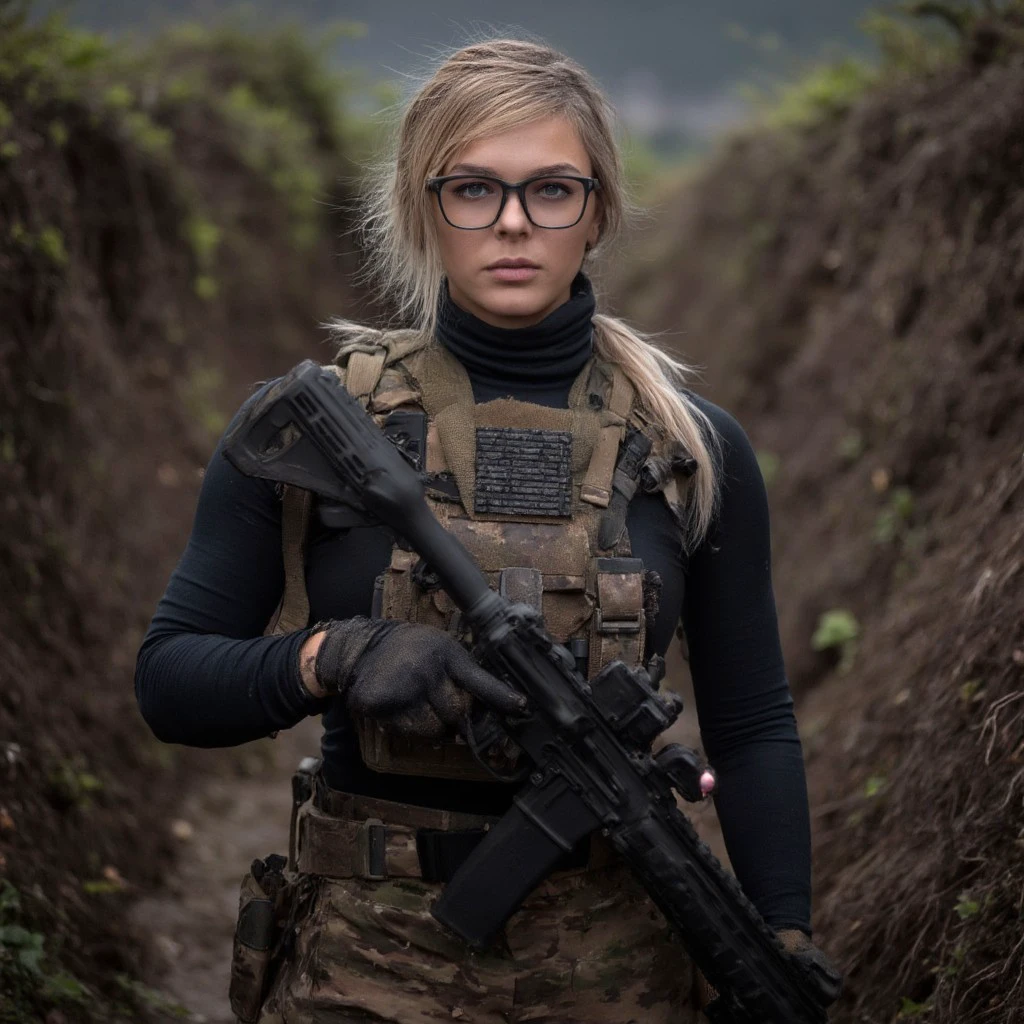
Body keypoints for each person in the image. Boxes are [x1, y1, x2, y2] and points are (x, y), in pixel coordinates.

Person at [136, 37, 838, 1024]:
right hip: (363, 968)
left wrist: (783, 934)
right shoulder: (320, 429)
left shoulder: (690, 450)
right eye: (472, 189)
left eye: (552, 190)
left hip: (617, 969)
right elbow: (168, 682)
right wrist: (331, 655)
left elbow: (753, 721)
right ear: (424, 208)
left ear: (597, 211)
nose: (513, 223)